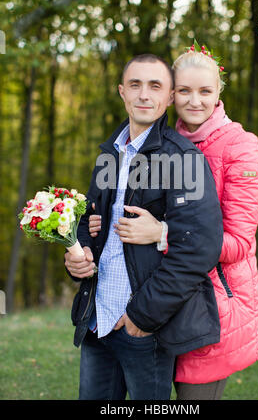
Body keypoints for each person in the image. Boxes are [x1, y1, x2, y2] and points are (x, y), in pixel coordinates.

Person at [89, 44, 258, 400]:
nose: (194, 101)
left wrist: (163, 233)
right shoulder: (157, 141)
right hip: (163, 295)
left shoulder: (241, 147)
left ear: (218, 93)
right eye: (185, 90)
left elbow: (239, 243)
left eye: (205, 91)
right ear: (172, 95)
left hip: (215, 300)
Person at [65, 53, 224, 400]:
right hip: (97, 319)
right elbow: (90, 220)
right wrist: (79, 257)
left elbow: (199, 248)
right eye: (135, 85)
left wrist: (142, 316)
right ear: (122, 91)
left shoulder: (183, 159)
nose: (143, 95)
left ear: (169, 98)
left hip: (144, 327)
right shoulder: (110, 152)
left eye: (155, 86)